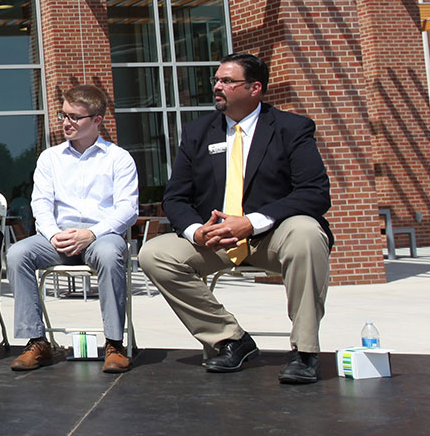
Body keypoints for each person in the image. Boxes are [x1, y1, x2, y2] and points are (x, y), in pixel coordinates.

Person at [139, 53, 332, 385]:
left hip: (271, 236)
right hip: (215, 241)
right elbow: (175, 197)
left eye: (227, 81)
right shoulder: (198, 132)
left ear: (255, 88)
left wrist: (252, 221)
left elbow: (314, 193)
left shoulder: (291, 128)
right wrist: (197, 232)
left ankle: (305, 352)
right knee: (154, 255)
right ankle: (230, 339)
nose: (217, 87)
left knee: (307, 233)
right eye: (216, 80)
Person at [8, 85, 138, 374]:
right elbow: (40, 203)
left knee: (110, 254)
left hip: (100, 238)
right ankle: (37, 342)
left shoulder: (119, 159)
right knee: (18, 253)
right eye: (63, 115)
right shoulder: (50, 158)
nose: (66, 122)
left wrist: (92, 234)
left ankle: (114, 345)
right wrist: (54, 234)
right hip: (58, 238)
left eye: (74, 117)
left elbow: (127, 209)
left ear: (96, 121)